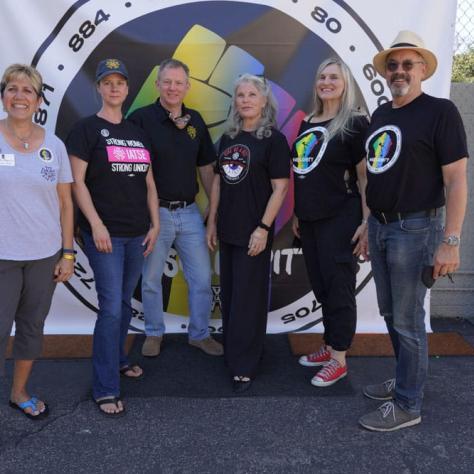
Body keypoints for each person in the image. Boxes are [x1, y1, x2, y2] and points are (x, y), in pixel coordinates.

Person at [358, 31, 468, 431]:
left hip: (417, 228)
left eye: (408, 64)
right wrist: (367, 222)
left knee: (406, 320)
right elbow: (375, 173)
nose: (399, 71)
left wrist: (450, 242)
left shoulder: (441, 112)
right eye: (393, 65)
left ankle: (407, 404)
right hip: (382, 227)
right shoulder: (382, 115)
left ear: (422, 69)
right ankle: (405, 379)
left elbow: (456, 180)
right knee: (391, 314)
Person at [66, 59, 159, 417]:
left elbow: (149, 183)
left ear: (127, 88)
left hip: (138, 234)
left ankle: (118, 359)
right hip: (104, 236)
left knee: (122, 302)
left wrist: (154, 224)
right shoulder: (86, 129)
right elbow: (77, 183)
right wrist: (96, 224)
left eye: (120, 82)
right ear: (100, 88)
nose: (115, 88)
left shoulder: (137, 131)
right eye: (108, 82)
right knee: (111, 309)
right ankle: (105, 388)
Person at [128, 58, 223, 358]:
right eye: (167, 82)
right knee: (152, 280)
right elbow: (130, 169)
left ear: (187, 86)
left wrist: (213, 217)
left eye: (178, 82)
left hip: (190, 212)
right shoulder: (141, 119)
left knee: (202, 279)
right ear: (157, 85)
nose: (172, 88)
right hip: (155, 214)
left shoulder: (195, 121)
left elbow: (207, 168)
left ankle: (199, 334)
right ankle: (154, 333)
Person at [207, 74, 290, 393]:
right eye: (240, 94)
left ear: (264, 100)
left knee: (248, 299)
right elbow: (217, 181)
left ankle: (245, 365)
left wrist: (264, 228)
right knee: (230, 295)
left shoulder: (274, 140)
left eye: (252, 94)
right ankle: (234, 352)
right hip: (227, 229)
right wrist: (212, 221)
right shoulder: (228, 137)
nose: (245, 100)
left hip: (254, 232)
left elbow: (280, 188)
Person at [0, 64, 74, 419]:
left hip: (44, 255)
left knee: (31, 326)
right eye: (12, 89)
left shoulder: (55, 145)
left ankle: (19, 392)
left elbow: (65, 203)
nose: (19, 96)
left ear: (39, 99)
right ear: (3, 97)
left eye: (27, 90)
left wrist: (68, 253)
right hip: (2, 255)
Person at [292, 58, 369, 387]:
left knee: (339, 288)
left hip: (342, 217)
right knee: (322, 287)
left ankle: (339, 357)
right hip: (309, 219)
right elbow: (304, 171)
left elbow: (366, 177)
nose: (327, 82)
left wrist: (367, 221)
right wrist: (298, 211)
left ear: (345, 83)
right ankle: (329, 343)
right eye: (322, 76)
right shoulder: (308, 121)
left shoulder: (354, 123)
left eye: (334, 77)